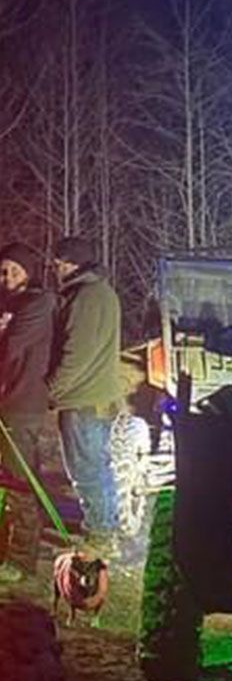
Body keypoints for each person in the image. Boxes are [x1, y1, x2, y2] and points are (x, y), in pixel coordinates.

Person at [47, 236, 121, 552]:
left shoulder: (88, 297)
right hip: (95, 397)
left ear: (73, 263)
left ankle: (101, 535)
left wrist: (50, 390)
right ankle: (105, 528)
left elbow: (76, 354)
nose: (55, 268)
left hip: (83, 399)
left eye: (59, 262)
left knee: (86, 470)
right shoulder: (97, 293)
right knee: (96, 467)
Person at [0, 242, 56, 582]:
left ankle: (22, 559)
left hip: (22, 405)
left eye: (14, 270)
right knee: (8, 479)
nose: (6, 277)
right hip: (9, 404)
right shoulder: (11, 304)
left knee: (21, 480)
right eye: (2, 271)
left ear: (29, 272)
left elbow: (11, 347)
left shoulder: (38, 303)